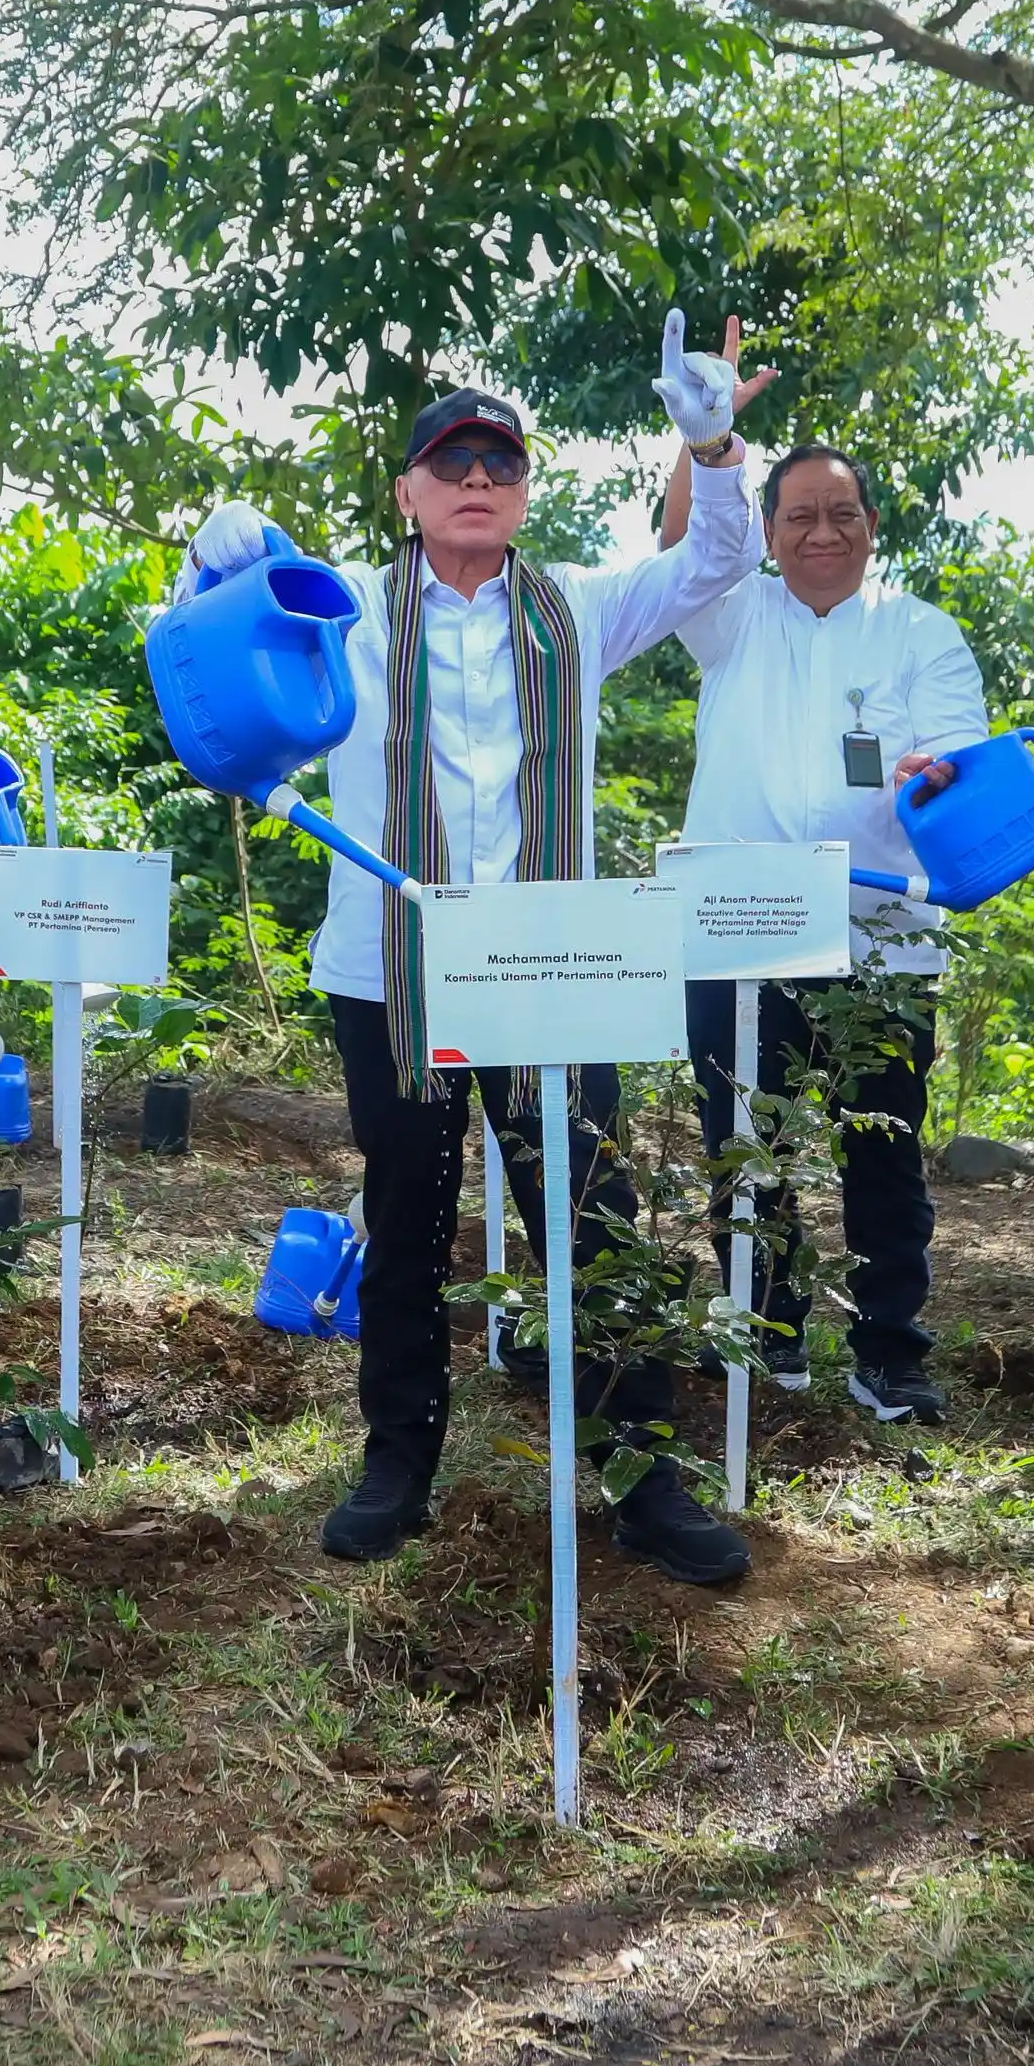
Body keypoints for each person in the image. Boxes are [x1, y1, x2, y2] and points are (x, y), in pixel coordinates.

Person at [176, 326, 759, 1586]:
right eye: (451, 462)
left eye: (499, 460)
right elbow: (213, 637)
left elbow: (722, 554)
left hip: (551, 968)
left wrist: (709, 443)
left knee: (590, 1214)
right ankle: (399, 1460)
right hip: (391, 968)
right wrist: (212, 552)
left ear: (524, 488)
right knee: (404, 1214)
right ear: (408, 490)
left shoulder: (581, 608)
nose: (476, 479)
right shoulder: (337, 610)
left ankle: (641, 1472)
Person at [652, 395, 985, 1425]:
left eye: (840, 512)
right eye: (796, 514)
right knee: (738, 1137)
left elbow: (958, 757)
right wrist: (697, 429)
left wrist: (938, 773)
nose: (820, 532)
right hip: (736, 926)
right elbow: (674, 545)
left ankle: (890, 1353)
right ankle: (764, 1331)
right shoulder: (730, 610)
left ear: (871, 525)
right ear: (765, 531)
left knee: (880, 1149)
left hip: (877, 940)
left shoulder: (918, 631)